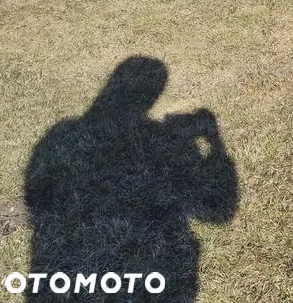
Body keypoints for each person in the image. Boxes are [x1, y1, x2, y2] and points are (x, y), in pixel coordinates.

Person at [24, 57, 238, 302]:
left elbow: (35, 195)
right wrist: (213, 138)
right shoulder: (157, 140)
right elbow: (219, 212)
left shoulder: (61, 135)